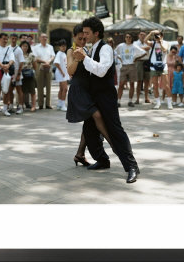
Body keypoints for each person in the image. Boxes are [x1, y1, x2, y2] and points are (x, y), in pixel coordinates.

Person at [73, 17, 140, 183]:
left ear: (96, 33)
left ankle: (132, 167)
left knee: (115, 130)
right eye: (83, 33)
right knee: (89, 130)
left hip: (106, 96)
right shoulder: (92, 48)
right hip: (92, 97)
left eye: (87, 33)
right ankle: (102, 160)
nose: (85, 35)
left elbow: (102, 71)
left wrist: (84, 58)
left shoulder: (105, 49)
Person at [66, 24, 113, 168]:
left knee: (89, 124)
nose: (82, 41)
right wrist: (77, 58)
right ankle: (115, 144)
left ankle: (80, 153)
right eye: (79, 38)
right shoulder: (71, 50)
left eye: (84, 38)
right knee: (96, 116)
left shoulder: (89, 49)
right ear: (74, 38)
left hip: (89, 90)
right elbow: (70, 71)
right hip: (78, 90)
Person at [115, 33, 146, 107]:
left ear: (132, 38)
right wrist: (120, 58)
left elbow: (144, 53)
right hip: (124, 66)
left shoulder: (134, 46)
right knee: (121, 84)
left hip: (132, 66)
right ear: (125, 38)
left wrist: (136, 59)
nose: (128, 38)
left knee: (132, 84)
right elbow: (115, 52)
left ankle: (130, 101)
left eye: (129, 37)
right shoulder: (121, 45)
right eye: (127, 37)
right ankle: (118, 101)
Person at [145, 30, 173, 110]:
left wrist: (160, 42)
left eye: (158, 35)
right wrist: (150, 33)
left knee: (166, 85)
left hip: (163, 66)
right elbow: (145, 41)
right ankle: (158, 103)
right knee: (155, 86)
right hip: (154, 66)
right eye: (155, 36)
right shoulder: (153, 43)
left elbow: (164, 50)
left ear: (162, 36)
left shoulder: (166, 43)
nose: (157, 37)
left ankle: (169, 103)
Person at [0, 33, 15, 117]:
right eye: (4, 38)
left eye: (6, 39)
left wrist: (7, 65)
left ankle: (5, 109)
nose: (5, 40)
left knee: (6, 90)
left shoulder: (10, 48)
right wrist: (2, 66)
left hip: (7, 70)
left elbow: (12, 59)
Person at [32, 33, 55, 109]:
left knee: (49, 85)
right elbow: (35, 58)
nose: (44, 38)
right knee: (39, 86)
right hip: (40, 66)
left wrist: (49, 61)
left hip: (48, 66)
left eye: (46, 37)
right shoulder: (36, 47)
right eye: (43, 37)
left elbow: (53, 56)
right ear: (39, 38)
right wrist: (44, 61)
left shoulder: (50, 47)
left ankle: (48, 104)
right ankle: (40, 104)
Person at [7, 33, 25, 115]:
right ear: (10, 38)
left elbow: (21, 62)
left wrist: (18, 74)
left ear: (17, 39)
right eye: (12, 38)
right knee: (10, 90)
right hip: (9, 73)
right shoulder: (7, 48)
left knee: (19, 90)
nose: (13, 40)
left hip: (17, 72)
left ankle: (20, 106)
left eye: (15, 38)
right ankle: (10, 106)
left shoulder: (19, 49)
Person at [133, 30, 151, 104]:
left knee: (147, 81)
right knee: (139, 81)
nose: (142, 36)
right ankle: (137, 99)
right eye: (141, 34)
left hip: (147, 61)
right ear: (138, 35)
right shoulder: (135, 43)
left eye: (144, 35)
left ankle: (147, 98)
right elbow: (136, 51)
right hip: (139, 62)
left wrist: (141, 49)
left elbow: (149, 49)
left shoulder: (148, 42)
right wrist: (145, 49)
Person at [20, 41, 37, 112]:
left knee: (32, 91)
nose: (25, 47)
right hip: (22, 75)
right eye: (23, 46)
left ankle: (33, 106)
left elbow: (35, 66)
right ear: (20, 47)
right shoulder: (18, 55)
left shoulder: (31, 55)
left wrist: (32, 71)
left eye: (26, 46)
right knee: (22, 91)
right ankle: (22, 105)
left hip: (30, 75)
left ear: (28, 47)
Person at [54, 39, 69, 111]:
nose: (64, 47)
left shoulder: (64, 53)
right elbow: (56, 63)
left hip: (63, 73)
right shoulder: (59, 53)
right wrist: (62, 72)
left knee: (61, 89)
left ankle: (59, 104)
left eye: (65, 46)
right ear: (59, 47)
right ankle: (63, 105)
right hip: (61, 74)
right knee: (65, 89)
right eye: (62, 46)